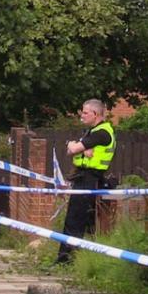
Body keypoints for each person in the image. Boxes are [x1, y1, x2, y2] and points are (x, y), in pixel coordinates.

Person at [56, 99, 116, 264]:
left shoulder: (101, 133)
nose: (81, 116)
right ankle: (74, 258)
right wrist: (75, 145)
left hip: (90, 179)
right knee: (79, 219)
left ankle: (66, 260)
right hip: (83, 177)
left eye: (85, 112)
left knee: (75, 219)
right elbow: (72, 150)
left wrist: (75, 146)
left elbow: (74, 150)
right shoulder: (92, 132)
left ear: (95, 114)